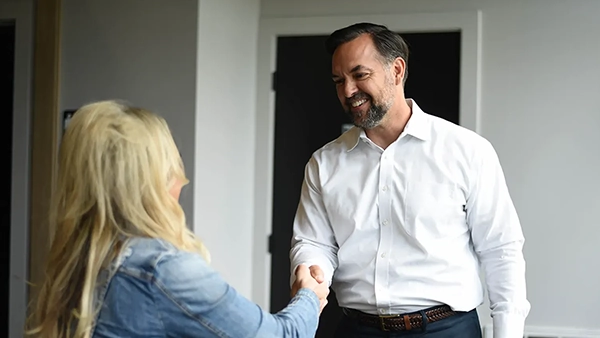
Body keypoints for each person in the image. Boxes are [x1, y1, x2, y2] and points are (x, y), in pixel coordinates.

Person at [289, 23, 530, 338]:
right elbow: (313, 242)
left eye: (360, 75)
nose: (348, 91)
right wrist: (312, 272)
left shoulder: (468, 151)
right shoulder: (324, 162)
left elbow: (501, 249)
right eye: (339, 80)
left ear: (397, 70)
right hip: (357, 330)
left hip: (448, 330)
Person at [27, 100, 329, 338]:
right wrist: (309, 298)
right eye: (171, 169)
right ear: (149, 182)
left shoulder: (82, 260)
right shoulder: (161, 268)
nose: (179, 183)